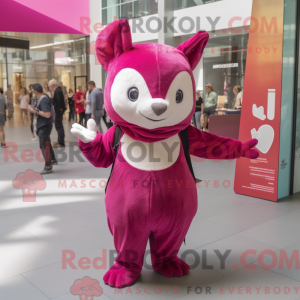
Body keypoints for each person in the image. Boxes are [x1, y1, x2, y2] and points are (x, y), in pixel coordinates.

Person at [27, 84, 57, 174]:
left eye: (33, 90)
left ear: (36, 91)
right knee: (47, 142)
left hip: (44, 125)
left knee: (43, 145)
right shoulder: (43, 99)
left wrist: (34, 110)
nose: (32, 92)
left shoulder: (43, 99)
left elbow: (47, 114)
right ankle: (52, 159)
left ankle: (48, 165)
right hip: (44, 125)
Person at [49, 79, 66, 148]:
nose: (49, 87)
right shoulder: (57, 91)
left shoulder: (58, 91)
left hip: (58, 112)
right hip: (58, 111)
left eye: (49, 86)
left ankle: (61, 142)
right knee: (58, 127)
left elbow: (60, 102)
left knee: (59, 127)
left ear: (52, 86)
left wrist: (59, 111)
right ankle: (59, 141)